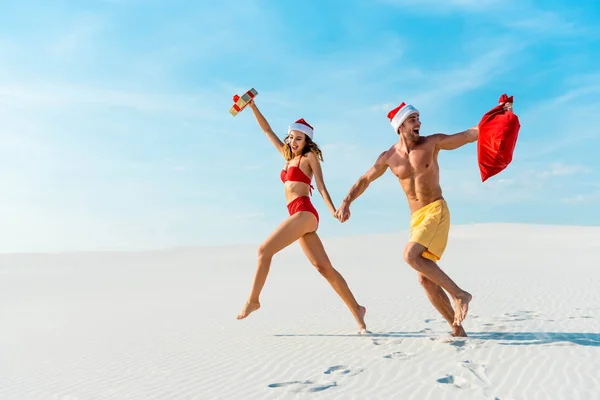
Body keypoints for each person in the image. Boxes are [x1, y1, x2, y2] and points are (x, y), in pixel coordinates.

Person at [335, 100, 511, 337]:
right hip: (416, 219)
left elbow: (470, 135)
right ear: (400, 126)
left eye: (418, 118)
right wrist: (346, 201)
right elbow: (365, 179)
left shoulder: (432, 142)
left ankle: (459, 294)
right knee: (425, 280)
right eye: (413, 119)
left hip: (436, 210)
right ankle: (456, 329)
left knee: (410, 255)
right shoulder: (388, 157)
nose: (418, 123)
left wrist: (500, 116)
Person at [236, 99, 368, 334]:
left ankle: (253, 301)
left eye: (299, 138)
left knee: (264, 251)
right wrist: (253, 106)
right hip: (297, 215)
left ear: (307, 140)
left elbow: (322, 186)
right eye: (291, 137)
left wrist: (333, 210)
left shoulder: (309, 158)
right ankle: (357, 309)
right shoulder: (287, 158)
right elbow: (266, 130)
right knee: (323, 267)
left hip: (305, 212)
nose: (294, 142)